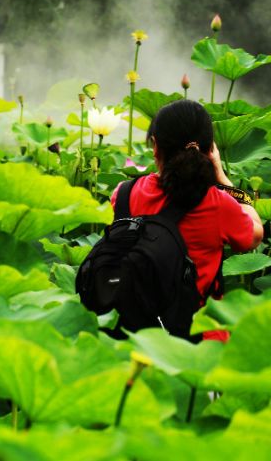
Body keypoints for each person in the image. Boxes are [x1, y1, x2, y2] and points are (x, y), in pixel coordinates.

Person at [112, 99, 263, 341]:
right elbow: (256, 235)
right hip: (201, 341)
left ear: (155, 146)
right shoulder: (220, 205)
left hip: (137, 339)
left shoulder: (124, 194)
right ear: (209, 150)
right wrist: (223, 178)